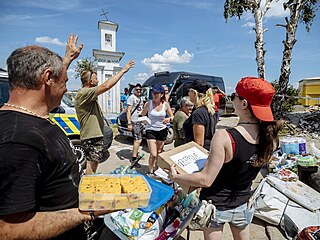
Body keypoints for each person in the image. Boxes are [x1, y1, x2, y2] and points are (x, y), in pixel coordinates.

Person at [0, 34, 110, 240]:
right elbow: (9, 230)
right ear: (48, 78)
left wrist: (67, 59)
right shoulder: (18, 140)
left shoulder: (32, 117)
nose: (67, 88)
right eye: (65, 81)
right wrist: (87, 213)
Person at [169, 77, 283, 240]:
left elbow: (205, 180)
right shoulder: (270, 137)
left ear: (244, 104)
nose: (231, 99)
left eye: (235, 96)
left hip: (216, 206)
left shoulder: (224, 136)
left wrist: (176, 176)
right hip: (244, 204)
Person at [75, 60, 135, 175]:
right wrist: (122, 71)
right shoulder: (84, 92)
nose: (98, 80)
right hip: (91, 136)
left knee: (94, 162)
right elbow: (106, 86)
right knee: (92, 164)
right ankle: (89, 186)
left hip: (94, 135)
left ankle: (90, 182)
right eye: (96, 78)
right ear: (91, 81)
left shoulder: (87, 94)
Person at [141, 84, 174, 175]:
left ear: (161, 94)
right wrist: (143, 119)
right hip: (151, 130)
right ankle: (150, 171)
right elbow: (142, 115)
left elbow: (172, 116)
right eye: (153, 93)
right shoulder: (148, 104)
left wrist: (168, 119)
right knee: (153, 154)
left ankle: (156, 168)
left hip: (162, 130)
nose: (154, 95)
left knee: (159, 152)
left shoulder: (165, 105)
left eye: (156, 93)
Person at [183, 79, 216, 151]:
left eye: (189, 91)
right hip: (209, 150)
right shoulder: (209, 110)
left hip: (200, 153)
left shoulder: (198, 113)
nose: (188, 94)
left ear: (194, 93)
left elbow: (199, 143)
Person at [126, 83, 144, 166]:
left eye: (140, 89)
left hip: (140, 120)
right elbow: (128, 110)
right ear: (134, 90)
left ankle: (135, 154)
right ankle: (134, 158)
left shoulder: (140, 98)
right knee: (138, 140)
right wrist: (129, 123)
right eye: (137, 90)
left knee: (138, 139)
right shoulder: (132, 98)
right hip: (134, 121)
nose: (139, 91)